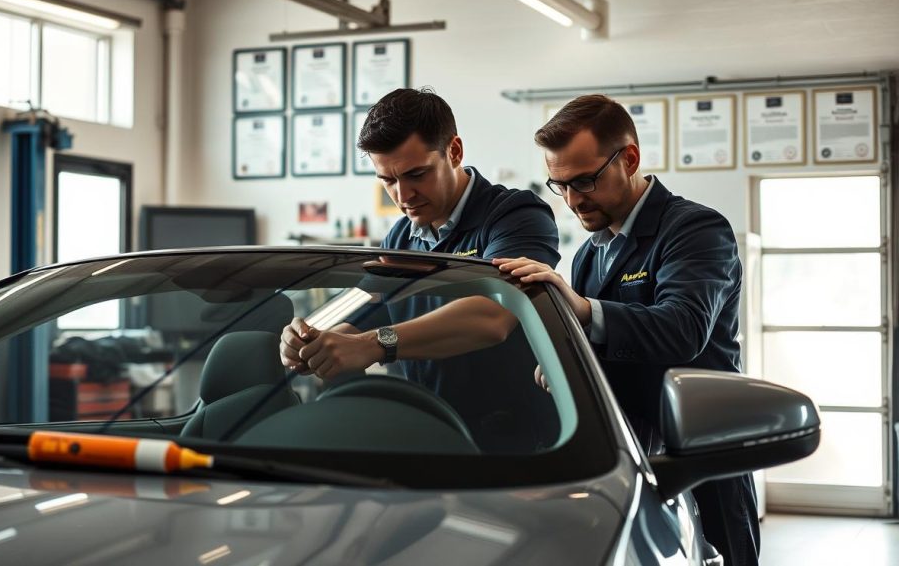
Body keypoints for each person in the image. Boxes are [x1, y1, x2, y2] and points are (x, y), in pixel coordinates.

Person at [495, 94, 759, 565]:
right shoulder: (590, 254)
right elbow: (606, 345)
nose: (573, 200)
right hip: (628, 466)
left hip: (699, 462)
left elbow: (683, 329)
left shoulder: (695, 229)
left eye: (585, 181)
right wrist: (564, 360)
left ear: (630, 159)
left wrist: (582, 309)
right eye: (560, 186)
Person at [279, 87, 562, 451]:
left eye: (417, 174)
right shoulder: (399, 239)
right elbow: (363, 310)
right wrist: (309, 336)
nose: (403, 196)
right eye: (388, 180)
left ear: (454, 151)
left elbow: (492, 316)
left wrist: (375, 344)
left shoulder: (516, 216)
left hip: (515, 447)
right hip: (430, 435)